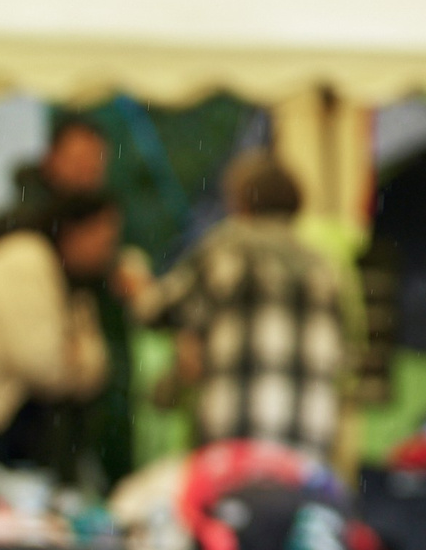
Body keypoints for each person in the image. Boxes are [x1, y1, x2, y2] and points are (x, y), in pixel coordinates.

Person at [137, 151, 345, 458]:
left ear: (242, 202)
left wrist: (138, 287)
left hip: (235, 435)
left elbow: (157, 311)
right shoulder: (324, 269)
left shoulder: (229, 247)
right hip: (309, 441)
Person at [0, 190, 122, 467]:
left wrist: (70, 360)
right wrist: (71, 361)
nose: (108, 253)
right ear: (75, 232)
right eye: (104, 241)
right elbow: (42, 365)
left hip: (5, 423)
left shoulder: (75, 285)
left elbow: (98, 371)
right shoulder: (28, 259)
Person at [0, 115, 113, 301]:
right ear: (51, 158)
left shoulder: (98, 233)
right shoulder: (19, 229)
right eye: (78, 163)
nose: (84, 179)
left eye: (94, 169)